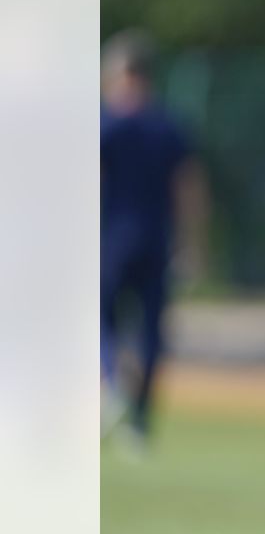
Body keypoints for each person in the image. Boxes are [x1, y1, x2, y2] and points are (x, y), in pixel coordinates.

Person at [100, 28, 200, 449]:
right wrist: (194, 243)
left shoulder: (105, 125)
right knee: (151, 333)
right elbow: (191, 189)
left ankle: (116, 387)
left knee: (98, 321)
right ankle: (139, 423)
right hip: (158, 239)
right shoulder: (169, 126)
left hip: (110, 241)